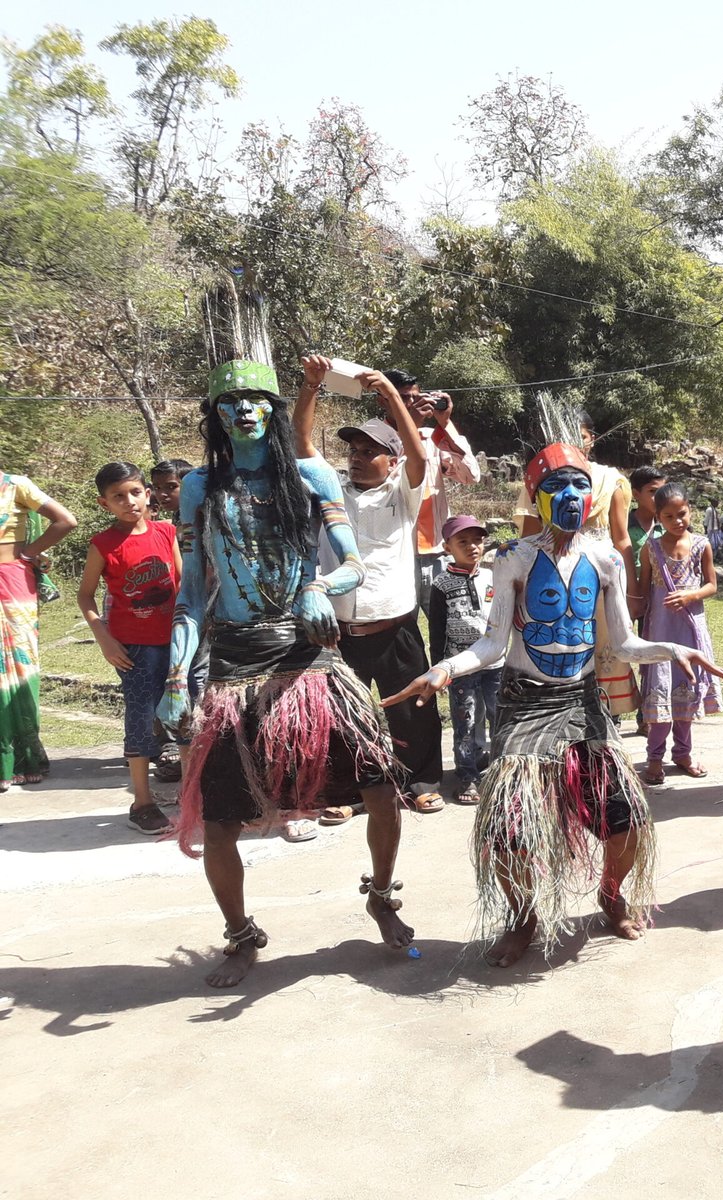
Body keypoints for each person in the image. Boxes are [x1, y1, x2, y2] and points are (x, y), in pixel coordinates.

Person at [385, 444, 723, 968]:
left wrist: (673, 648)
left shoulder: (606, 559)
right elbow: (493, 645)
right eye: (554, 488)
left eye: (578, 486)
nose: (569, 497)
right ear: (535, 497)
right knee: (510, 829)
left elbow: (622, 646)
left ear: (592, 496)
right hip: (525, 704)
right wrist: (444, 669)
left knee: (627, 818)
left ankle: (611, 893)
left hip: (584, 702)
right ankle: (523, 917)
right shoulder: (513, 559)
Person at [161, 286, 408, 989]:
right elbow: (189, 596)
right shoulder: (197, 489)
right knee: (219, 818)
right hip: (234, 665)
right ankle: (240, 933)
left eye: (258, 402)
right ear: (215, 414)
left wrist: (316, 588)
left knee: (381, 783)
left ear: (273, 410)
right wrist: (178, 680)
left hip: (309, 660)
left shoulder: (311, 473)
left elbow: (352, 565)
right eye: (229, 403)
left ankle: (384, 895)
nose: (244, 411)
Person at [294, 357, 446, 820]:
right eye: (354, 451)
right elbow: (300, 443)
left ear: (391, 460)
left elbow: (419, 458)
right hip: (339, 632)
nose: (357, 458)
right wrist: (310, 387)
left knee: (413, 712)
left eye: (369, 452)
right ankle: (347, 790)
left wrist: (393, 398)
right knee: (342, 716)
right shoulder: (328, 489)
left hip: (396, 626)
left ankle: (419, 783)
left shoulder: (404, 491)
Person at [77, 463, 181, 834]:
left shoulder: (167, 532)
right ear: (104, 504)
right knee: (140, 717)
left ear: (147, 494)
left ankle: (194, 794)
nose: (129, 501)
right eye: (118, 496)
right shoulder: (102, 544)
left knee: (186, 714)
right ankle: (142, 801)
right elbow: (85, 595)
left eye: (135, 492)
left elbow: (181, 584)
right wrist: (103, 637)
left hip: (175, 641)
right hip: (133, 648)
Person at [515, 410, 638, 717]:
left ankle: (608, 719)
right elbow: (529, 537)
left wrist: (632, 592)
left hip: (601, 578)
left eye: (581, 436)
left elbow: (621, 538)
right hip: (552, 575)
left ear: (591, 439)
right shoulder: (542, 479)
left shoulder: (610, 480)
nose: (575, 442)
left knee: (607, 647)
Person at [638, 483, 723, 784]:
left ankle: (683, 753)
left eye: (682, 514)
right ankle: (654, 757)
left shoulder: (701, 545)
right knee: (661, 691)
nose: (677, 521)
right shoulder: (651, 548)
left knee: (687, 689)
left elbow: (711, 585)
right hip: (661, 629)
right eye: (669, 516)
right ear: (658, 517)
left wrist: (690, 596)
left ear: (690, 510)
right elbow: (644, 588)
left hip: (690, 628)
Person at [378, 369, 481, 605]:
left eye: (416, 397)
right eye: (403, 398)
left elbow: (471, 475)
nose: (412, 403)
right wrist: (409, 427)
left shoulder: (431, 438)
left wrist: (445, 423)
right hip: (396, 556)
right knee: (403, 633)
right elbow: (386, 482)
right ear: (382, 400)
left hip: (437, 553)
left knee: (447, 630)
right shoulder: (373, 438)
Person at [0, 470, 75, 791]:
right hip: (17, 581)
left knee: (19, 668)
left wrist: (28, 553)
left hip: (14, 584)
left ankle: (23, 758)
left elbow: (66, 520)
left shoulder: (16, 485)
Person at [428, 514, 504, 805]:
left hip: (496, 663)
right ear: (448, 547)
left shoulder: (493, 576)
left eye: (477, 540)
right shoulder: (441, 584)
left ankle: (499, 769)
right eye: (463, 541)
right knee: (467, 722)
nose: (472, 546)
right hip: (460, 667)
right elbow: (437, 630)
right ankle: (468, 775)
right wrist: (440, 668)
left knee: (499, 717)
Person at [149, 459, 201, 784]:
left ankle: (195, 754)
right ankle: (177, 749)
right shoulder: (174, 520)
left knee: (196, 680)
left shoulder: (198, 516)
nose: (163, 494)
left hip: (202, 609)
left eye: (171, 486)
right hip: (181, 608)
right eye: (158, 487)